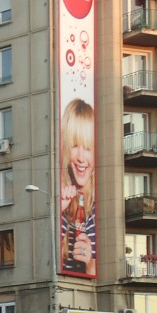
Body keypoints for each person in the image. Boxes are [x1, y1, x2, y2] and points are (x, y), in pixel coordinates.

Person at [58, 98, 97, 277]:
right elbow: (46, 265)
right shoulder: (60, 199)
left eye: (88, 148)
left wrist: (89, 263)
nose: (81, 157)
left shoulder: (98, 206)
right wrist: (58, 212)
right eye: (74, 146)